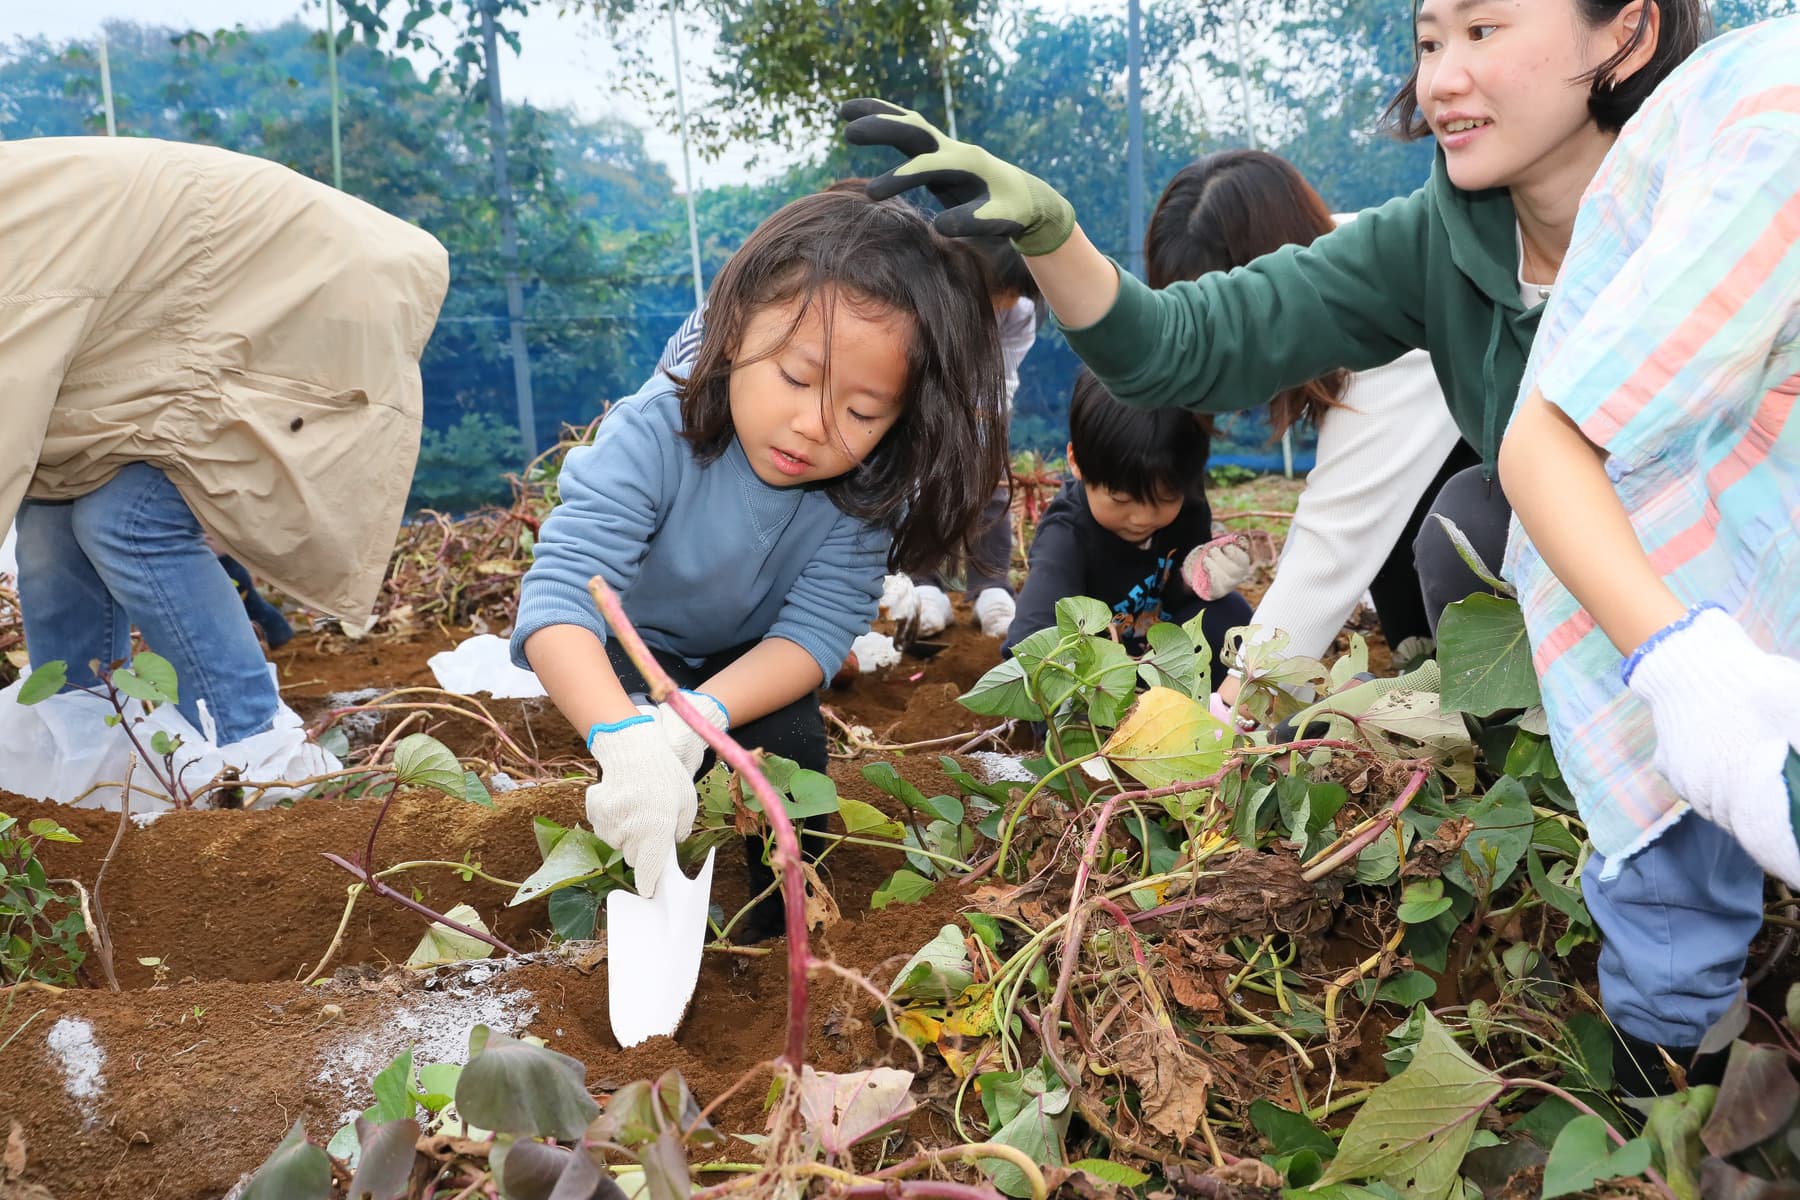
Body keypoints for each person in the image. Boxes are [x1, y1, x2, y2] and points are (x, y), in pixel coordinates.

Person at [839, 0, 1706, 672]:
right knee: (1470, 522)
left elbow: (1333, 547)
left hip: (1716, 582)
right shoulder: (1426, 246)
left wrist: (1238, 709)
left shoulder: (1717, 205)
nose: (1441, 79)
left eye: (1482, 30)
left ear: (1626, 33)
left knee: (1461, 518)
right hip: (1607, 599)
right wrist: (1053, 235)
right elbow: (1176, 346)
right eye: (1429, 41)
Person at [512, 190, 1007, 938]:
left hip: (748, 653)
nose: (813, 425)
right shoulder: (651, 436)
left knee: (793, 747)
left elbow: (811, 634)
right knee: (636, 790)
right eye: (796, 378)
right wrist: (622, 736)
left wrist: (701, 715)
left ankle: (781, 926)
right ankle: (631, 904)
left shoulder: (863, 495)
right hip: (630, 647)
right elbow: (560, 604)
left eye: (862, 412)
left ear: (902, 417)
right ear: (735, 327)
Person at [1497, 15, 1800, 1097]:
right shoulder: (1786, 131)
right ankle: (1661, 1098)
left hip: (1775, 491)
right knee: (1680, 858)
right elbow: (1549, 445)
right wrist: (1687, 672)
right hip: (1639, 528)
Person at [3, 136, 448, 746]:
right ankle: (78, 742)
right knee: (49, 524)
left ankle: (253, 751)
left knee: (126, 519)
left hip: (280, 290)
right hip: (164, 318)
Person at [1142, 152, 1461, 702]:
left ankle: (1475, 679)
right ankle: (1424, 656)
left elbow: (1335, 541)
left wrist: (1231, 709)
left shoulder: (1389, 309)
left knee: (1443, 518)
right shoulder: (1332, 255)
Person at [1003, 369, 1252, 686]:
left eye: (1166, 498)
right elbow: (1028, 642)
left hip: (1163, 666)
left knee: (1231, 615)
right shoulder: (1066, 537)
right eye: (1121, 499)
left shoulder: (1186, 502)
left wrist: (1192, 579)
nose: (1143, 518)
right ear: (1076, 462)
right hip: (1100, 681)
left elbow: (1179, 602)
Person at [913, 235, 1041, 639]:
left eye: (1012, 291)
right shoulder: (934, 300)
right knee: (921, 492)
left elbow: (1003, 376)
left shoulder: (1019, 313)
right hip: (925, 405)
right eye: (997, 290)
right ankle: (924, 585)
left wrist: (982, 428)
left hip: (986, 408)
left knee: (992, 492)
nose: (1004, 300)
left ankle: (991, 587)